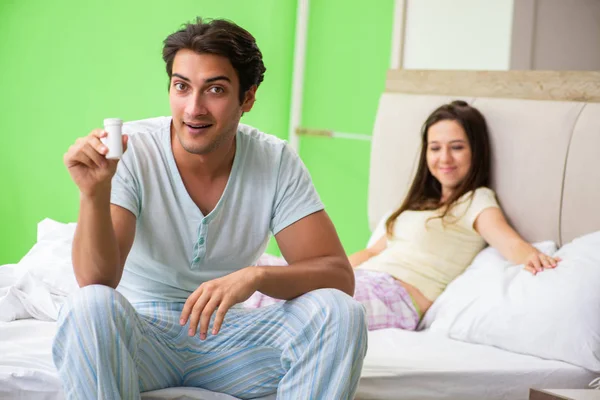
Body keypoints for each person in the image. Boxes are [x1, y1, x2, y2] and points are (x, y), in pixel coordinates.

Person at [53, 17, 367, 400]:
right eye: (182, 87)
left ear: (247, 98)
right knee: (89, 305)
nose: (193, 108)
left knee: (340, 312)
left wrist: (255, 277)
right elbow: (97, 279)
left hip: (230, 340)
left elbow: (338, 276)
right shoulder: (133, 151)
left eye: (215, 89)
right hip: (142, 338)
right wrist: (94, 194)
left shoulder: (275, 160)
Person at [246, 101, 561, 332]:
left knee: (279, 298)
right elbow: (371, 252)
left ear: (475, 152)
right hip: (365, 280)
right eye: (435, 148)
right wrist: (323, 271)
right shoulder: (416, 205)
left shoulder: (476, 200)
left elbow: (510, 242)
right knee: (253, 266)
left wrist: (535, 258)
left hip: (398, 298)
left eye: (457, 147)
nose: (444, 158)